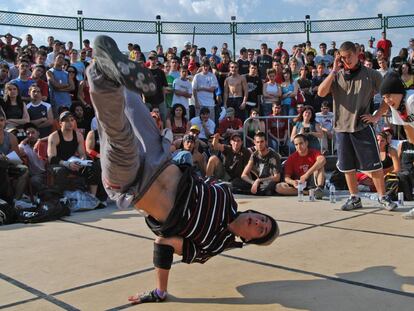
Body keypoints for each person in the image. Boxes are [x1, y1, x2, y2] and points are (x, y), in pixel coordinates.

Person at [86, 36, 279, 304]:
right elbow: (194, 172)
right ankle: (123, 75)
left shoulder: (212, 246)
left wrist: (160, 291)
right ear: (256, 212)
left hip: (133, 185)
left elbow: (164, 245)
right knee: (131, 101)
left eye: (260, 230)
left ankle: (100, 72)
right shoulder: (225, 194)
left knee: (117, 135)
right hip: (160, 159)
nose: (258, 223)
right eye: (263, 219)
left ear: (248, 240)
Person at [318, 41, 397, 211]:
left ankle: (383, 197)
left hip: (362, 126)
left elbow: (388, 95)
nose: (347, 61)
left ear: (357, 53)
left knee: (374, 165)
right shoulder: (337, 75)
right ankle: (354, 198)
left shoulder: (372, 74)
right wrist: (333, 70)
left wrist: (376, 116)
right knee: (348, 167)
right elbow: (321, 92)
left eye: (349, 56)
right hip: (341, 128)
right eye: (343, 58)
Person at [276, 134, 326, 199]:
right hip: (299, 184)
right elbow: (286, 178)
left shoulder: (314, 152)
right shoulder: (291, 158)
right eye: (296, 145)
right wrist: (293, 182)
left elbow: (322, 160)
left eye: (301, 143)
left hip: (312, 180)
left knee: (320, 166)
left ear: (306, 143)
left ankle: (319, 188)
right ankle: (307, 192)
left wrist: (307, 174)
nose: (299, 147)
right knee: (279, 187)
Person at [236, 131, 281, 196]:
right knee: (235, 183)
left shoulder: (274, 156)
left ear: (266, 142)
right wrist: (253, 182)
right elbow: (243, 175)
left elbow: (277, 177)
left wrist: (259, 180)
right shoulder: (254, 155)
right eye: (257, 142)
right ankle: (257, 191)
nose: (259, 144)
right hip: (259, 183)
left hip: (269, 181)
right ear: (254, 143)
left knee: (269, 187)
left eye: (262, 142)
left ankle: (251, 191)